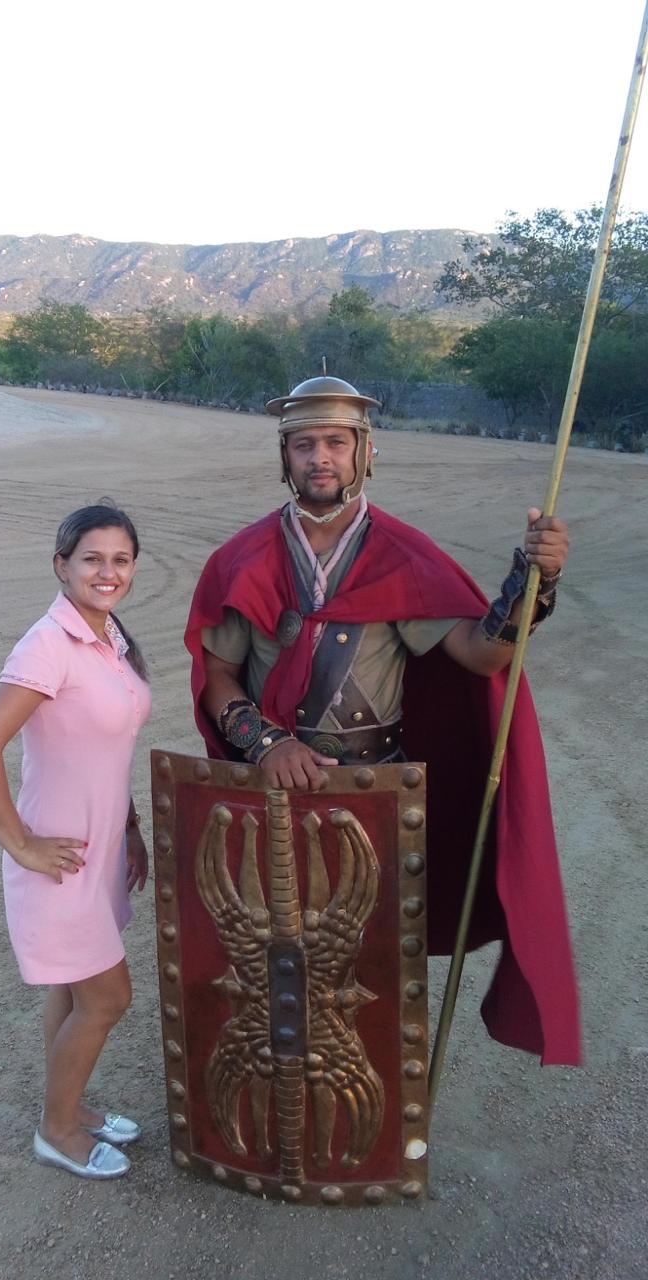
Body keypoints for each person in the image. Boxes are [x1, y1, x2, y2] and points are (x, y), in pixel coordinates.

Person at [185, 376, 581, 1067]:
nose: (320, 457)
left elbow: (482, 654)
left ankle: (371, 1107)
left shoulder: (403, 556)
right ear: (284, 457)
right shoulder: (242, 559)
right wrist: (267, 743)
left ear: (365, 453)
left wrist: (533, 583)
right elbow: (217, 674)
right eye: (304, 444)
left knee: (370, 967)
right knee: (268, 958)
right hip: (270, 789)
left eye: (336, 443)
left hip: (373, 794)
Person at [0, 503, 152, 1180]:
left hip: (99, 855)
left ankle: (69, 1105)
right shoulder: (49, 644)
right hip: (60, 863)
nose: (108, 572)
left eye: (120, 559)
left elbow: (105, 751)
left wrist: (130, 828)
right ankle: (56, 1130)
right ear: (61, 565)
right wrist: (22, 847)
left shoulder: (107, 638)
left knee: (73, 993)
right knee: (108, 997)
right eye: (92, 559)